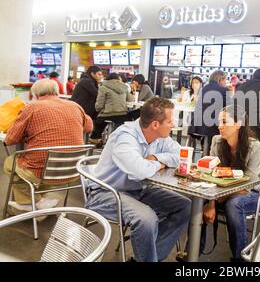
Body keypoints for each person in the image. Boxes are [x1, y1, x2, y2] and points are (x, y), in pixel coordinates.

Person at [85, 97, 191, 262]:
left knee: (185, 206)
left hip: (138, 189)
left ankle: (145, 258)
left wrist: (156, 157)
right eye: (170, 121)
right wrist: (159, 164)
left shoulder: (161, 136)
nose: (173, 125)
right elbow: (139, 170)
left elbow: (182, 155)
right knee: (147, 219)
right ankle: (147, 258)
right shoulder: (125, 136)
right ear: (155, 124)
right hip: (106, 192)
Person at [4, 79, 93, 214]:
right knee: (40, 162)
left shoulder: (31, 108)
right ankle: (40, 200)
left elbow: (10, 139)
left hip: (41, 172)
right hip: (73, 170)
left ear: (34, 94)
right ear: (57, 91)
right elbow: (89, 127)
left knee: (9, 163)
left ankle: (29, 202)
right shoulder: (75, 106)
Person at [203, 104, 260, 261]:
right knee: (197, 200)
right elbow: (211, 175)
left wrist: (219, 198)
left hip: (254, 193)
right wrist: (211, 203)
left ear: (238, 124)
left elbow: (249, 184)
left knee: (234, 204)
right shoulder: (217, 141)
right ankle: (192, 250)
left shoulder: (254, 146)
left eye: (224, 121)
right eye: (219, 122)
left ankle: (240, 259)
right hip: (222, 192)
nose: (219, 126)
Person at [189, 70, 229, 154]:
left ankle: (206, 152)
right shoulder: (224, 90)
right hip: (212, 128)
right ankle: (215, 156)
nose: (225, 82)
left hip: (197, 126)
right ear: (220, 79)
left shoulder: (203, 89)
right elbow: (229, 108)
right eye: (225, 80)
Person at [88, 73, 133, 144]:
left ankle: (95, 138)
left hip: (108, 114)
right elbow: (130, 100)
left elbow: (99, 104)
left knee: (98, 121)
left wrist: (97, 109)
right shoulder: (124, 87)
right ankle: (115, 140)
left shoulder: (103, 87)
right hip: (122, 115)